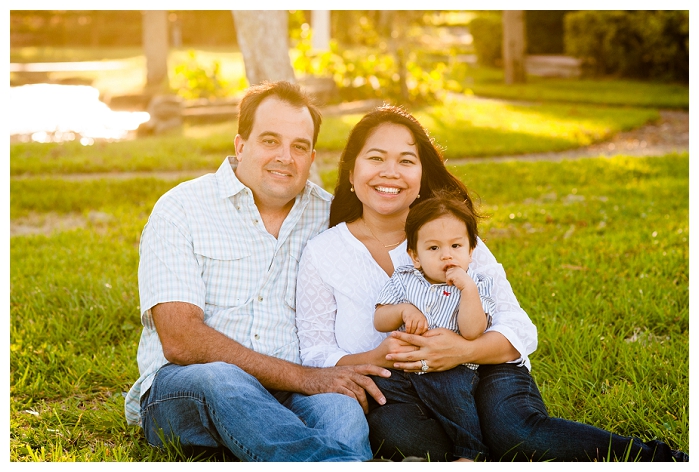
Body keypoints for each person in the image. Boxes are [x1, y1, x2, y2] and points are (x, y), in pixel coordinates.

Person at [295, 105, 688, 462]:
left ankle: (656, 460)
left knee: (514, 432)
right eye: (376, 158)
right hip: (403, 388)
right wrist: (377, 357)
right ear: (351, 172)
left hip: (484, 369)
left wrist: (461, 349)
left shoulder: (451, 239)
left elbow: (517, 327)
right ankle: (480, 451)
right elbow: (315, 353)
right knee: (402, 436)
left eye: (406, 160)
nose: (390, 172)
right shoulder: (324, 252)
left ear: (421, 176)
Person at [123, 81, 391, 462]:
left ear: (312, 156)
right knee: (222, 378)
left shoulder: (332, 218)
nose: (286, 157)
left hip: (294, 389)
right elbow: (180, 340)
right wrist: (305, 378)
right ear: (240, 145)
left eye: (299, 146)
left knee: (342, 412)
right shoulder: (181, 209)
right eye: (270, 141)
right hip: (189, 386)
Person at [370, 193, 496, 461]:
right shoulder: (404, 279)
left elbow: (473, 331)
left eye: (456, 246)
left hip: (451, 370)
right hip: (405, 369)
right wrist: (403, 309)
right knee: (377, 387)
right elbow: (379, 319)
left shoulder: (476, 283)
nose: (446, 255)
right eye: (434, 248)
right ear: (415, 256)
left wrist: (468, 290)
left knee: (454, 400)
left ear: (471, 251)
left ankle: (470, 453)